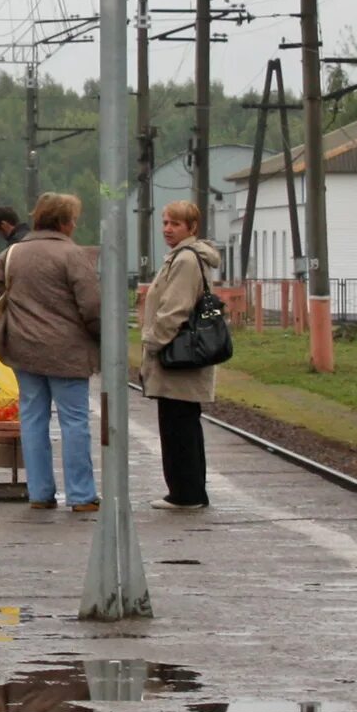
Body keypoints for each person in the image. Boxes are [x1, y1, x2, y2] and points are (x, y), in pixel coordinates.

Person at [0, 192, 102, 513]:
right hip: (68, 352)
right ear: (64, 222)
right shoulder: (73, 255)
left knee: (33, 420)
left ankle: (39, 492)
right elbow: (92, 306)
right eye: (73, 219)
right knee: (74, 422)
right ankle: (80, 496)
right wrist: (101, 337)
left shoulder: (13, 253)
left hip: (24, 349)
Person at [139, 200, 225, 510]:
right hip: (181, 356)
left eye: (175, 223)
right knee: (181, 423)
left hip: (178, 357)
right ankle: (187, 491)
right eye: (164, 222)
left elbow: (175, 309)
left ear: (191, 228)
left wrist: (152, 343)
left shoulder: (186, 260)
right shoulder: (183, 257)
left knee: (178, 427)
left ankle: (186, 493)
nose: (167, 229)